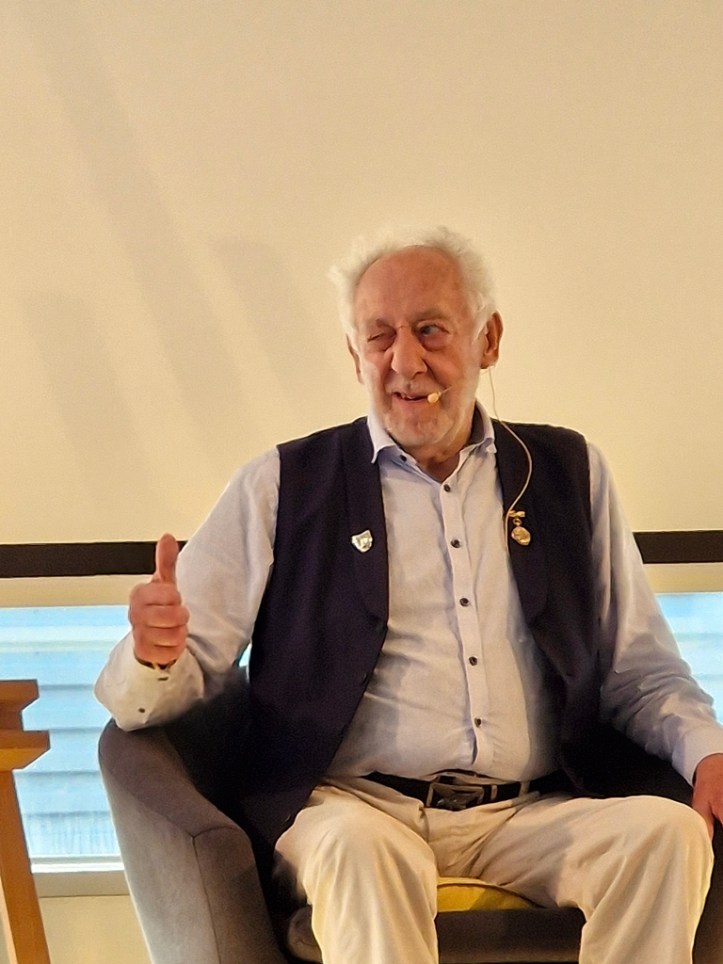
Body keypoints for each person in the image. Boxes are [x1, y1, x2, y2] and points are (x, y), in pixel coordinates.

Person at [96, 226, 723, 964]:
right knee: (365, 852)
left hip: (530, 811)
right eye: (379, 336)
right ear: (354, 355)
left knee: (665, 836)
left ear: (488, 339)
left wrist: (706, 753)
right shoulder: (281, 484)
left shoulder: (566, 472)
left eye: (431, 330)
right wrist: (155, 655)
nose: (404, 360)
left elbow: (640, 673)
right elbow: (153, 692)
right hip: (351, 805)